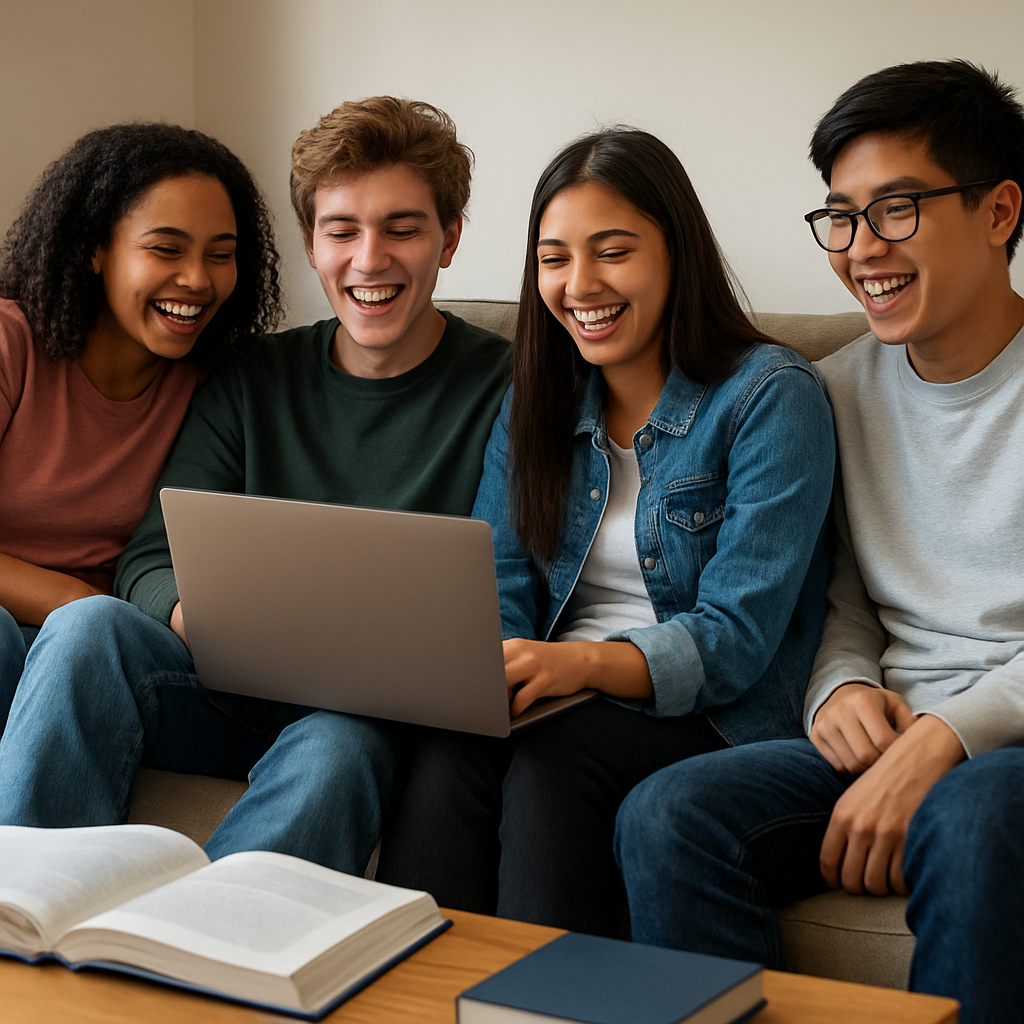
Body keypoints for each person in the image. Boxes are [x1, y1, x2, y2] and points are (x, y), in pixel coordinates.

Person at [0, 97, 511, 875]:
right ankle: (24, 921)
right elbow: (144, 563)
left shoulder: (513, 388)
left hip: (356, 711)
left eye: (402, 229)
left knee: (341, 749)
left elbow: (515, 585)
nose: (369, 260)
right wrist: (200, 616)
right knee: (87, 627)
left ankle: (200, 957)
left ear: (449, 241)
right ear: (310, 243)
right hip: (216, 680)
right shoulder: (247, 377)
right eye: (342, 230)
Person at [614, 59, 1024, 1024]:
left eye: (896, 209)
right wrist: (840, 683)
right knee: (670, 814)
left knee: (976, 819)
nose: (859, 249)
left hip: (996, 751)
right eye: (840, 216)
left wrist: (946, 738)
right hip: (895, 727)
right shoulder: (831, 389)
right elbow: (842, 595)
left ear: (1001, 211)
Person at [374, 128, 835, 936]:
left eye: (612, 251)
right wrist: (500, 673)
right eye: (554, 259)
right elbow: (501, 578)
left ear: (675, 252)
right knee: (445, 754)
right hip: (559, 689)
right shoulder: (539, 400)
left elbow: (737, 638)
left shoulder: (770, 396)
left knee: (558, 760)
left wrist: (576, 665)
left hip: (714, 712)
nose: (579, 284)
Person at [0, 122, 281, 734]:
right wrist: (77, 603)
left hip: (118, 646)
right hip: (58, 622)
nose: (198, 280)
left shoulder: (214, 381)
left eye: (221, 253)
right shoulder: (10, 343)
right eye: (166, 248)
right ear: (95, 249)